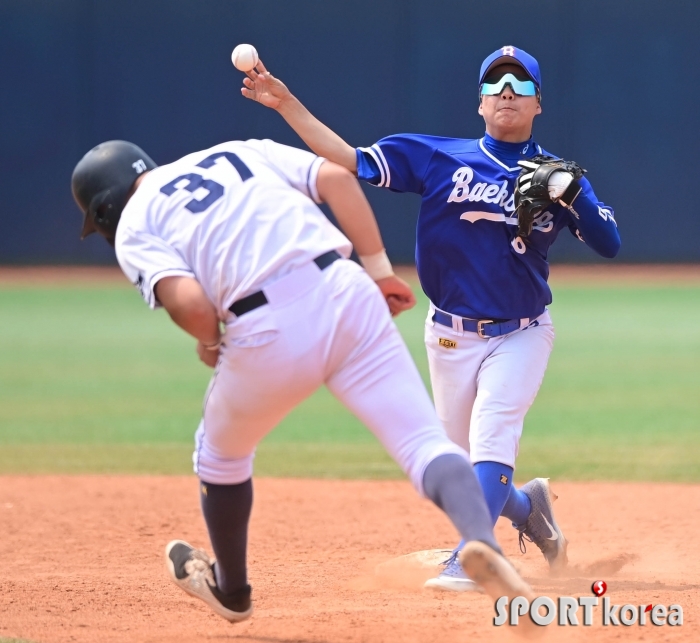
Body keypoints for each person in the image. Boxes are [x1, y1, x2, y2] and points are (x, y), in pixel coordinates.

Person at [70, 137, 537, 623]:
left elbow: (191, 305)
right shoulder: (235, 151)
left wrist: (210, 342)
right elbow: (337, 178)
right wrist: (378, 272)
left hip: (265, 328)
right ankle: (480, 542)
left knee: (220, 455)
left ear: (104, 209)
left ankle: (233, 592)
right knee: (422, 443)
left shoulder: (134, 225)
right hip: (345, 288)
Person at [239, 45, 621, 591]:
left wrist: (575, 195)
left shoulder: (557, 178)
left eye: (520, 84)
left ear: (540, 103)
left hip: (521, 333)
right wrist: (286, 105)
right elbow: (348, 159)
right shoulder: (439, 156)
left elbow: (609, 243)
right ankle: (528, 507)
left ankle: (471, 556)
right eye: (495, 85)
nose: (506, 92)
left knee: (493, 438)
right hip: (448, 337)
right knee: (463, 474)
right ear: (480, 104)